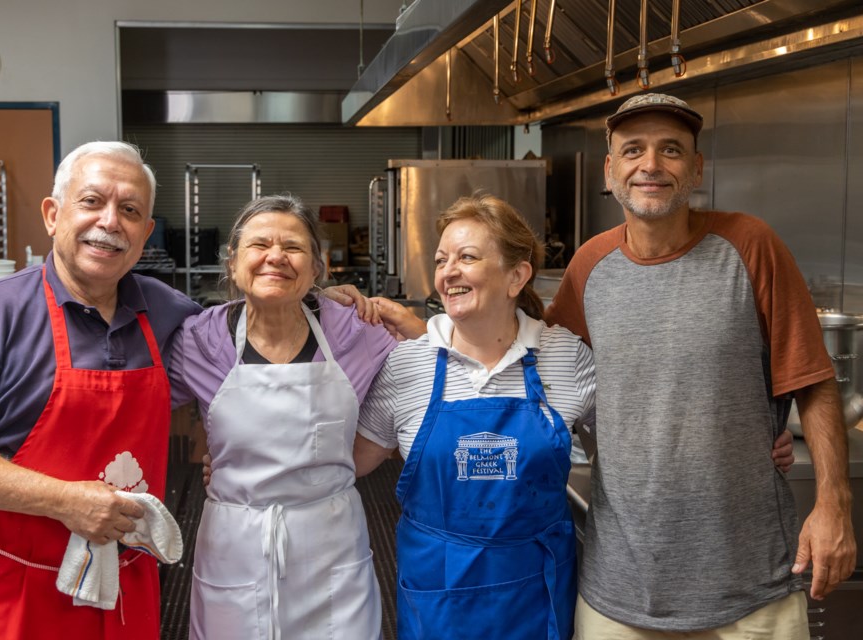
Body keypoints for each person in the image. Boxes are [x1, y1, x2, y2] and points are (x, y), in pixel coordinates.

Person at [0, 142, 372, 640]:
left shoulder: (171, 314)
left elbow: (261, 321)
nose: (110, 222)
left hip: (126, 582)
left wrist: (325, 300)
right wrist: (64, 500)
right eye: (91, 202)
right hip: (15, 584)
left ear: (145, 232)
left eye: (130, 210)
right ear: (52, 214)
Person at [544, 93, 856, 639]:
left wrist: (833, 503)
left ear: (695, 167)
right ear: (610, 168)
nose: (651, 166)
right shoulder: (589, 265)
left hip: (749, 586)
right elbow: (534, 362)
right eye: (633, 150)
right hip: (619, 588)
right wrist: (432, 333)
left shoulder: (751, 245)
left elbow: (813, 381)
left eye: (671, 150)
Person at [353, 194, 596, 639]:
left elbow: (626, 443)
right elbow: (350, 462)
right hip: (438, 593)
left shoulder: (565, 357)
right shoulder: (409, 364)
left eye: (467, 257)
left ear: (517, 276)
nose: (449, 272)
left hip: (536, 592)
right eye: (442, 259)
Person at [170, 195, 398, 640]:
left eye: (293, 247)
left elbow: (424, 375)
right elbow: (134, 399)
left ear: (318, 267)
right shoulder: (200, 339)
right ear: (233, 264)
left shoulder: (355, 333)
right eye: (259, 245)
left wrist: (409, 322)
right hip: (235, 545)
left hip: (331, 551)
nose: (275, 256)